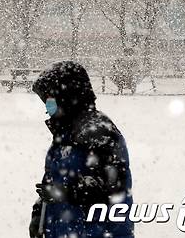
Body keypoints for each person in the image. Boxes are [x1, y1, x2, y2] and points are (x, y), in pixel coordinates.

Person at [29, 61, 134, 238]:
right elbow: (51, 181)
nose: (47, 105)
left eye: (49, 99)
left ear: (66, 96)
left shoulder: (99, 132)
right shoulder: (64, 135)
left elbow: (113, 190)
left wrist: (66, 192)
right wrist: (40, 214)